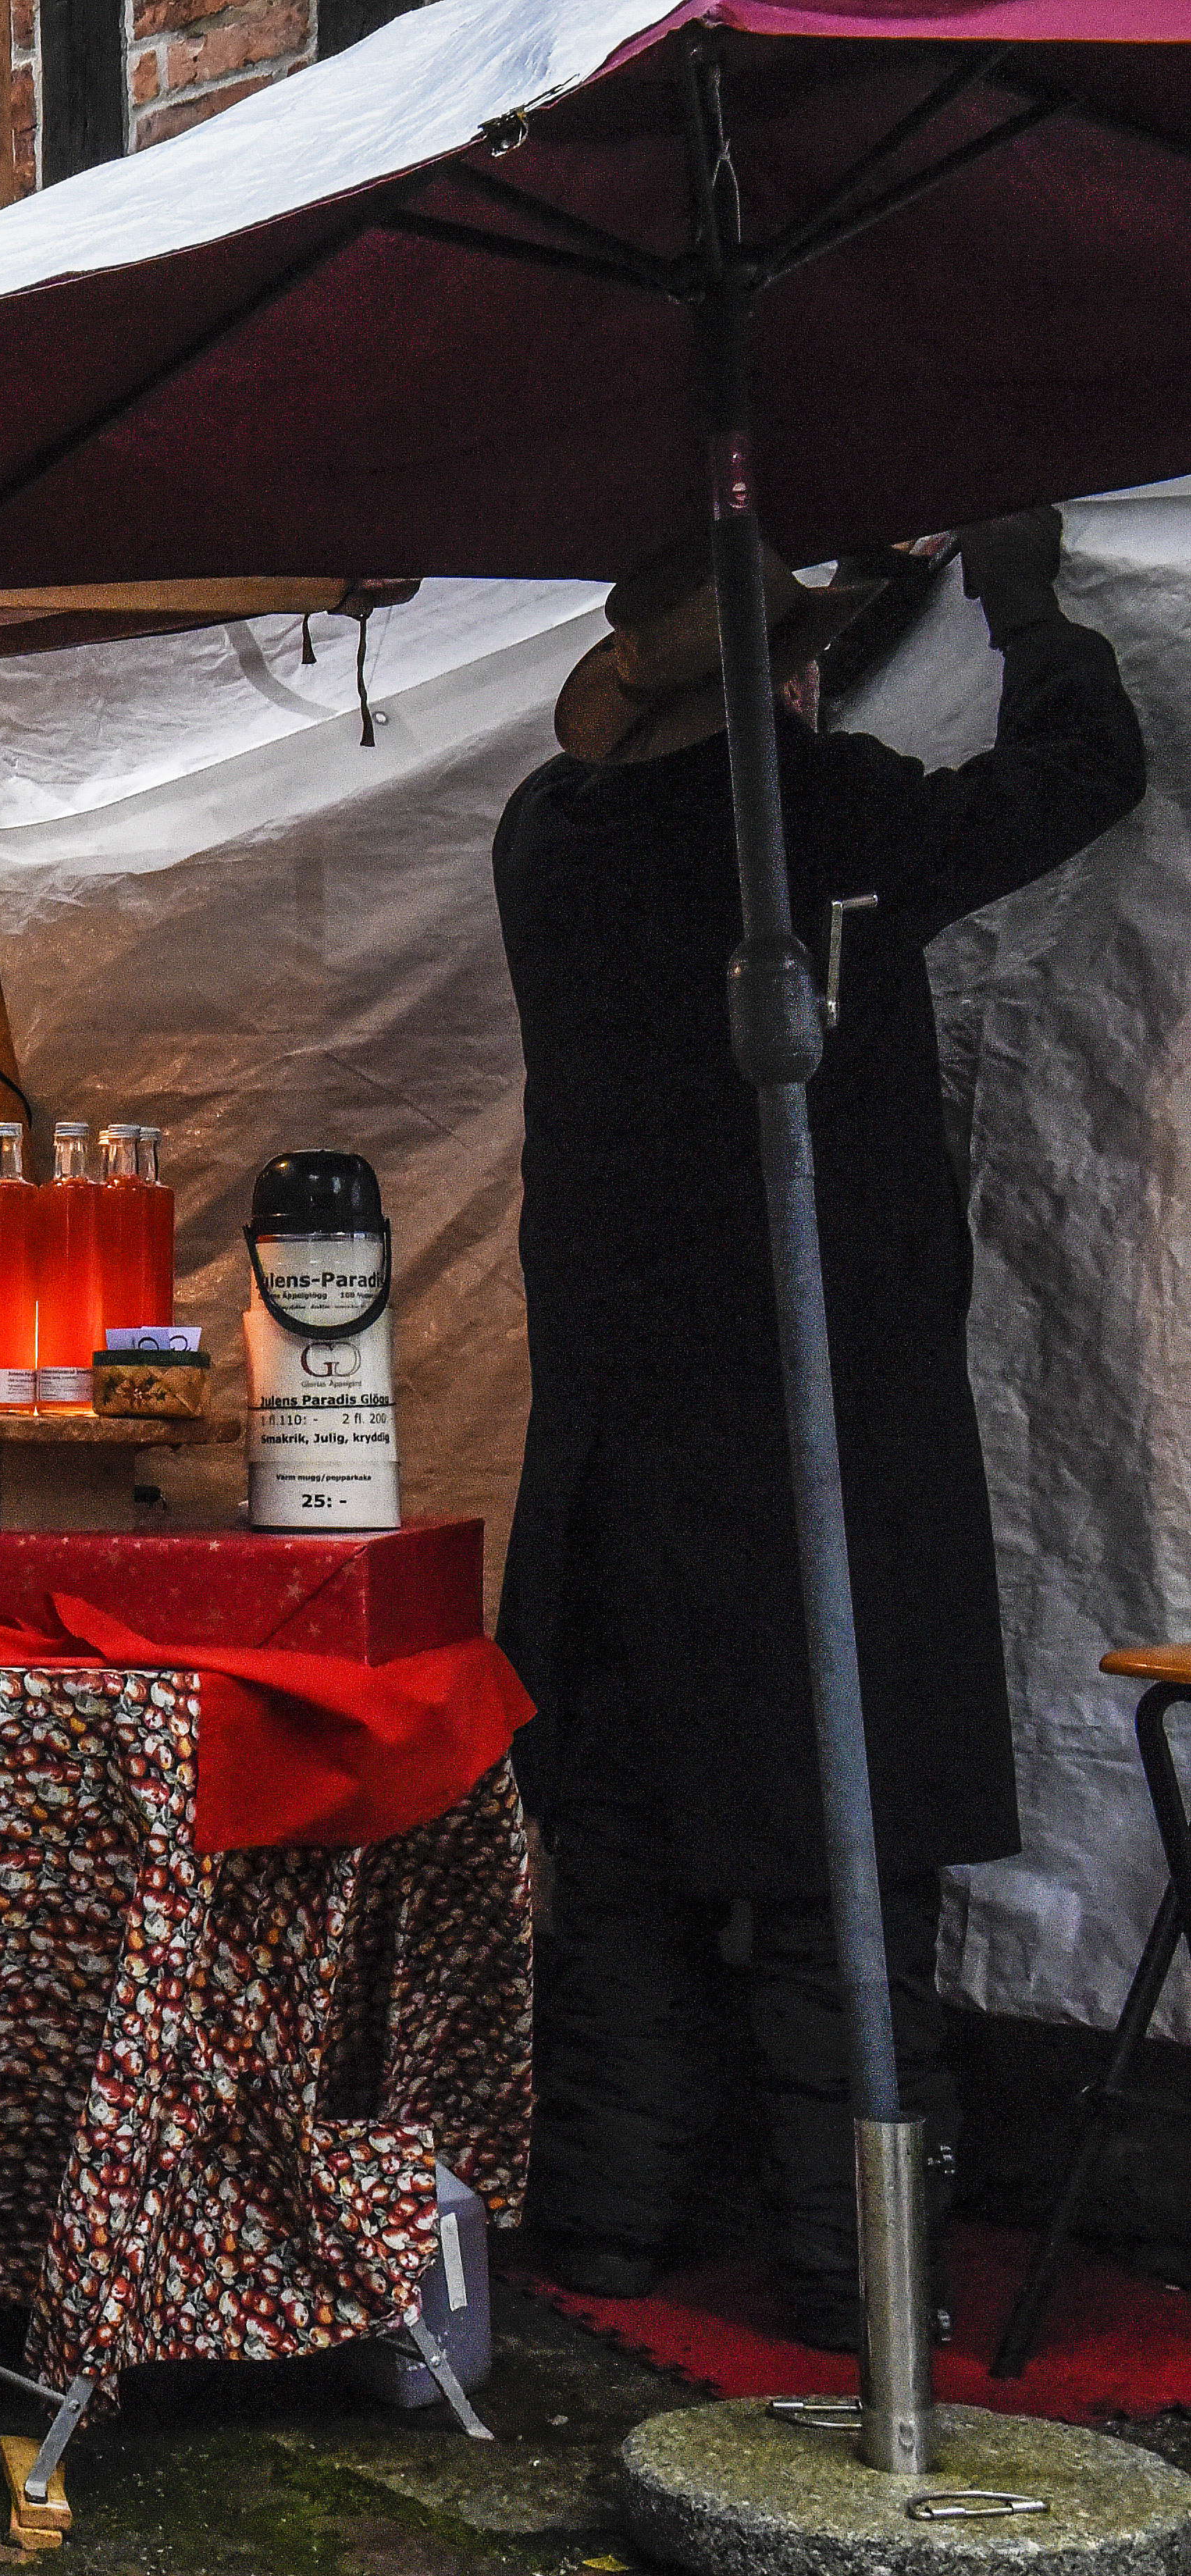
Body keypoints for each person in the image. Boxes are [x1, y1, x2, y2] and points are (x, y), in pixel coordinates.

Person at [492, 511, 1147, 2348]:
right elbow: (1086, 768)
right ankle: (852, 2278)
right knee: (833, 1872)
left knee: (618, 1864)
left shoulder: (547, 843)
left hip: (610, 1444)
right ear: (784, 693)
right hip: (810, 1429)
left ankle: (610, 2228)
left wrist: (811, 635)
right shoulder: (819, 821)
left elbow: (730, 744)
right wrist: (1011, 591)